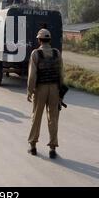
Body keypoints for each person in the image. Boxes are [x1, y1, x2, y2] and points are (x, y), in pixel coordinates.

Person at [27, 29, 64, 158]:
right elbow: (61, 74)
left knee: (36, 117)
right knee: (53, 118)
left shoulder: (35, 54)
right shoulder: (56, 53)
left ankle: (33, 146)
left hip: (40, 89)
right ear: (50, 40)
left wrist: (29, 91)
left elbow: (32, 76)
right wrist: (60, 93)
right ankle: (53, 148)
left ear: (39, 40)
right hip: (54, 89)